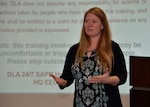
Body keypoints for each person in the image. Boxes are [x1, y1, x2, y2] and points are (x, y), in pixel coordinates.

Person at [50, 7, 127, 107]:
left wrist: (108, 80)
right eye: (86, 21)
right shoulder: (74, 50)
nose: (89, 24)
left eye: (94, 21)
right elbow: (67, 77)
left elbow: (122, 76)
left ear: (102, 25)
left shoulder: (112, 48)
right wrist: (63, 82)